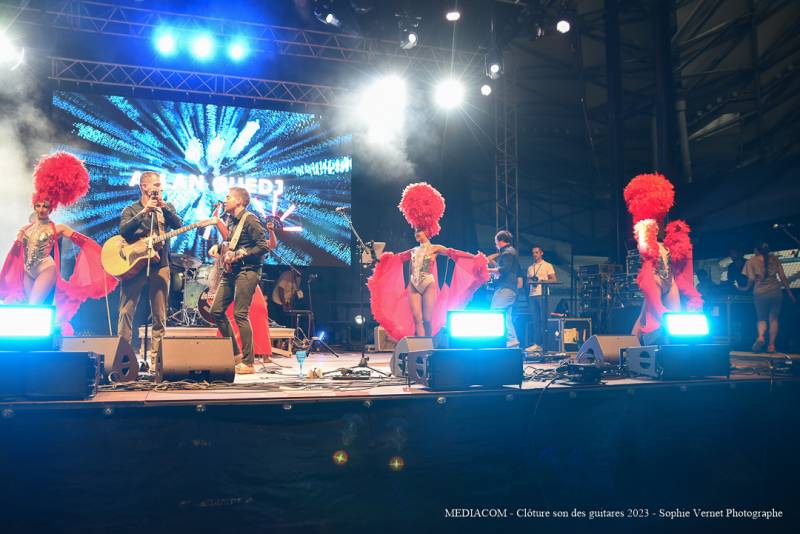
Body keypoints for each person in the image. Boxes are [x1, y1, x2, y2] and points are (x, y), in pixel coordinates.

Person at [0, 152, 118, 334]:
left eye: (45, 206)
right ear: (34, 206)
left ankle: (37, 344)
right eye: (38, 205)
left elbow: (84, 242)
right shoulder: (26, 229)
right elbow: (14, 257)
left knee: (34, 306)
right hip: (27, 271)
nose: (41, 209)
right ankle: (31, 345)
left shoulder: (58, 228)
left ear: (51, 207)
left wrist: (100, 254)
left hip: (46, 270)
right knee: (29, 307)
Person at [368, 182, 489, 341]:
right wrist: (380, 261)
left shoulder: (435, 248)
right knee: (417, 318)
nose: (417, 233)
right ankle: (420, 347)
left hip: (428, 284)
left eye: (420, 230)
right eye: (416, 230)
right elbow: (395, 260)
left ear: (428, 231)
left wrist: (474, 258)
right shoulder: (412, 251)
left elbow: (454, 254)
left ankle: (429, 345)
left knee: (427, 319)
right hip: (413, 284)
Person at [623, 173, 703, 344]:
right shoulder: (644, 228)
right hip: (655, 279)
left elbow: (680, 263)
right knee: (653, 317)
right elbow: (645, 251)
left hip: (669, 281)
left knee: (668, 319)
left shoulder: (669, 232)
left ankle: (633, 349)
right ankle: (630, 350)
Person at [117, 171, 183, 366]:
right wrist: (144, 212)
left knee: (159, 314)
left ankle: (157, 360)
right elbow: (124, 231)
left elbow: (179, 224)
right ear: (144, 186)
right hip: (135, 266)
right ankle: (124, 357)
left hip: (160, 265)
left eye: (160, 185)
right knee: (126, 310)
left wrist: (165, 208)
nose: (159, 188)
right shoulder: (131, 209)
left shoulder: (166, 208)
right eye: (156, 184)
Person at [209, 187, 276, 374]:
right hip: (232, 271)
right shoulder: (232, 221)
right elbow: (231, 242)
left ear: (239, 201)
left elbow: (263, 246)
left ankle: (248, 362)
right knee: (216, 310)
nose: (225, 200)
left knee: (240, 314)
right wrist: (218, 247)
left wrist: (240, 254)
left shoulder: (250, 219)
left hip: (248, 271)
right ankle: (236, 355)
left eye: (228, 197)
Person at [739, 242, 796, 353]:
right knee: (774, 318)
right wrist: (789, 292)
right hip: (776, 291)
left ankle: (760, 337)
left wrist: (745, 288)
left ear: (756, 250)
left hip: (760, 292)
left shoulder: (751, 261)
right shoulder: (774, 259)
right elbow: (783, 277)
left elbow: (751, 279)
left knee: (761, 318)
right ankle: (771, 345)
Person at [488, 230, 521, 348]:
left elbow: (503, 269)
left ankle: (504, 341)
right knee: (505, 315)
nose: (495, 244)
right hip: (510, 289)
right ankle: (512, 341)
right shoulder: (511, 252)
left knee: (495, 312)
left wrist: (486, 270)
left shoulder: (507, 253)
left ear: (501, 241)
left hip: (505, 288)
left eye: (496, 242)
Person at [525, 245, 557, 353]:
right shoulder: (530, 268)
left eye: (536, 252)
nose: (534, 254)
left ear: (541, 253)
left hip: (543, 294)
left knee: (545, 320)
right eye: (533, 253)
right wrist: (530, 281)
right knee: (535, 321)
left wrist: (542, 281)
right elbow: (528, 282)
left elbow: (554, 279)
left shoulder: (547, 265)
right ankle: (537, 344)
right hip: (532, 295)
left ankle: (546, 344)